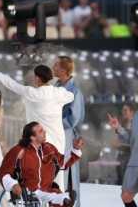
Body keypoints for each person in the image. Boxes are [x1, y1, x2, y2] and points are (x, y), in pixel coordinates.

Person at [0, 65, 74, 187]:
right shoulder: (59, 93)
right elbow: (71, 96)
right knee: (57, 178)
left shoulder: (32, 93)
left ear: (37, 78)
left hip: (39, 142)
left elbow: (12, 85)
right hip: (57, 141)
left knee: (38, 177)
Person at [0, 121, 84, 207]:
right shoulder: (19, 151)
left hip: (48, 190)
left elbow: (62, 163)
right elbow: (3, 172)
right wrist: (13, 185)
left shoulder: (48, 148)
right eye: (40, 131)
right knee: (55, 198)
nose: (45, 132)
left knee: (65, 199)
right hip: (28, 193)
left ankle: (65, 201)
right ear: (32, 137)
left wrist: (75, 149)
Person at [53, 56, 85, 202]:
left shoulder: (74, 91)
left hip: (66, 135)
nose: (53, 67)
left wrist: (54, 122)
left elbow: (74, 118)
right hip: (53, 133)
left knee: (66, 171)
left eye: (56, 65)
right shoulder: (54, 87)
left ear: (64, 70)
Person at [115, 104, 135, 184]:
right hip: (121, 157)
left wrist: (120, 145)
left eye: (126, 110)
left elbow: (133, 142)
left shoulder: (136, 124)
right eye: (123, 110)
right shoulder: (122, 123)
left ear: (131, 112)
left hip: (130, 158)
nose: (123, 112)